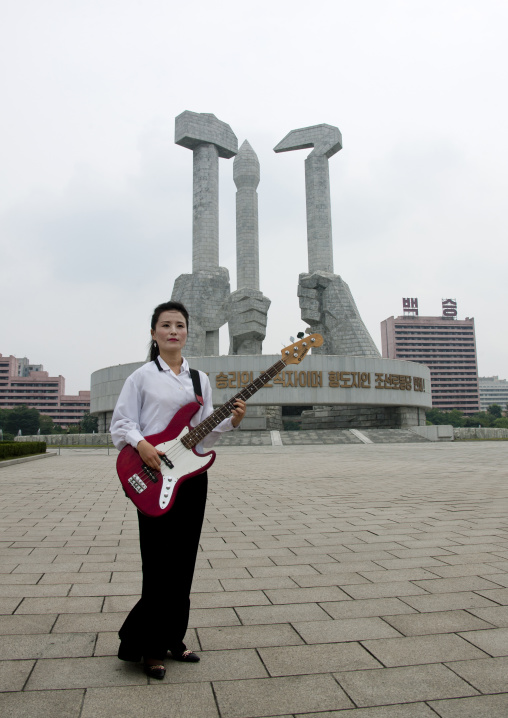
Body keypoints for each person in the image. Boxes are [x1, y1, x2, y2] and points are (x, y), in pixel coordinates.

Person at [110, 301, 246, 679]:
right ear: (154, 332)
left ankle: (173, 638)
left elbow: (205, 432)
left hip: (191, 479)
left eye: (180, 325)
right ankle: (146, 647)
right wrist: (141, 445)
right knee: (157, 562)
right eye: (166, 325)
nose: (173, 331)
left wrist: (232, 421)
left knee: (184, 560)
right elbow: (122, 423)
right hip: (152, 472)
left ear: (187, 332)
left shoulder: (200, 380)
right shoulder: (141, 377)